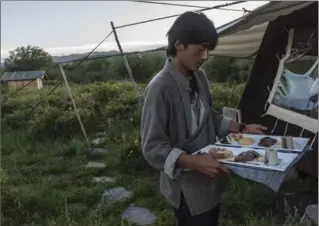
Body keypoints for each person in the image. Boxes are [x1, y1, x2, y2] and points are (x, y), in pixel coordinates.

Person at [140, 11, 267, 226]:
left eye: (208, 50)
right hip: (186, 190)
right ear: (180, 45)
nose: (205, 57)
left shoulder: (200, 77)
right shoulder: (160, 88)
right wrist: (192, 161)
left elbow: (209, 116)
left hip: (209, 179)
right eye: (200, 50)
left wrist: (242, 128)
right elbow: (152, 146)